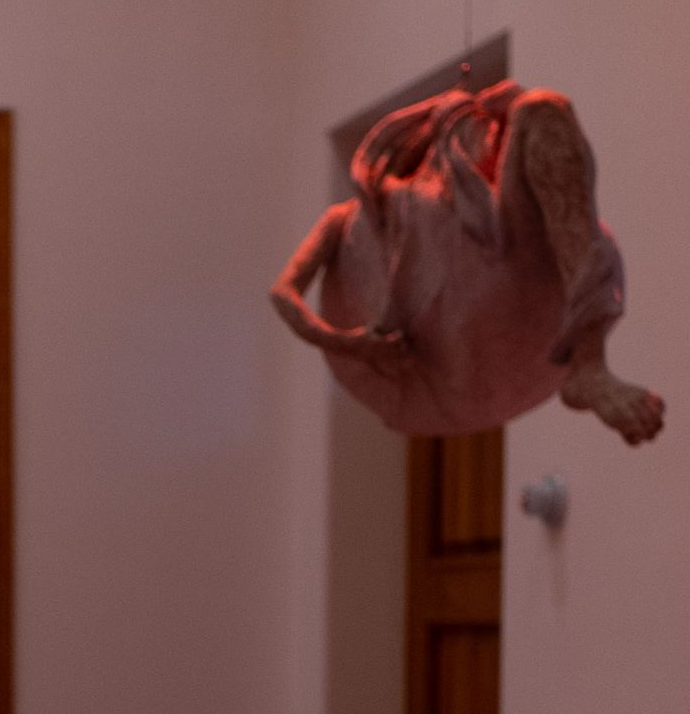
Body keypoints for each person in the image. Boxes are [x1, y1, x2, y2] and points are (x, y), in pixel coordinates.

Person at [270, 82, 664, 445]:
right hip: (441, 357)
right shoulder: (349, 220)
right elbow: (283, 292)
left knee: (543, 107)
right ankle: (588, 364)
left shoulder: (489, 206)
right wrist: (347, 342)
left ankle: (589, 363)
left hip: (514, 287)